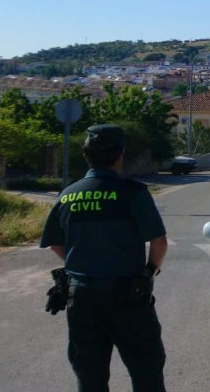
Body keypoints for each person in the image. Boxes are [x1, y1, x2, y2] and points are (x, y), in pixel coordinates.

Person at [41, 124, 169, 391]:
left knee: (90, 377)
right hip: (128, 298)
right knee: (146, 372)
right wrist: (149, 271)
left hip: (83, 298)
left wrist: (81, 261)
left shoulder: (68, 194)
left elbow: (54, 242)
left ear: (87, 155)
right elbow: (158, 241)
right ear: (120, 155)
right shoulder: (133, 193)